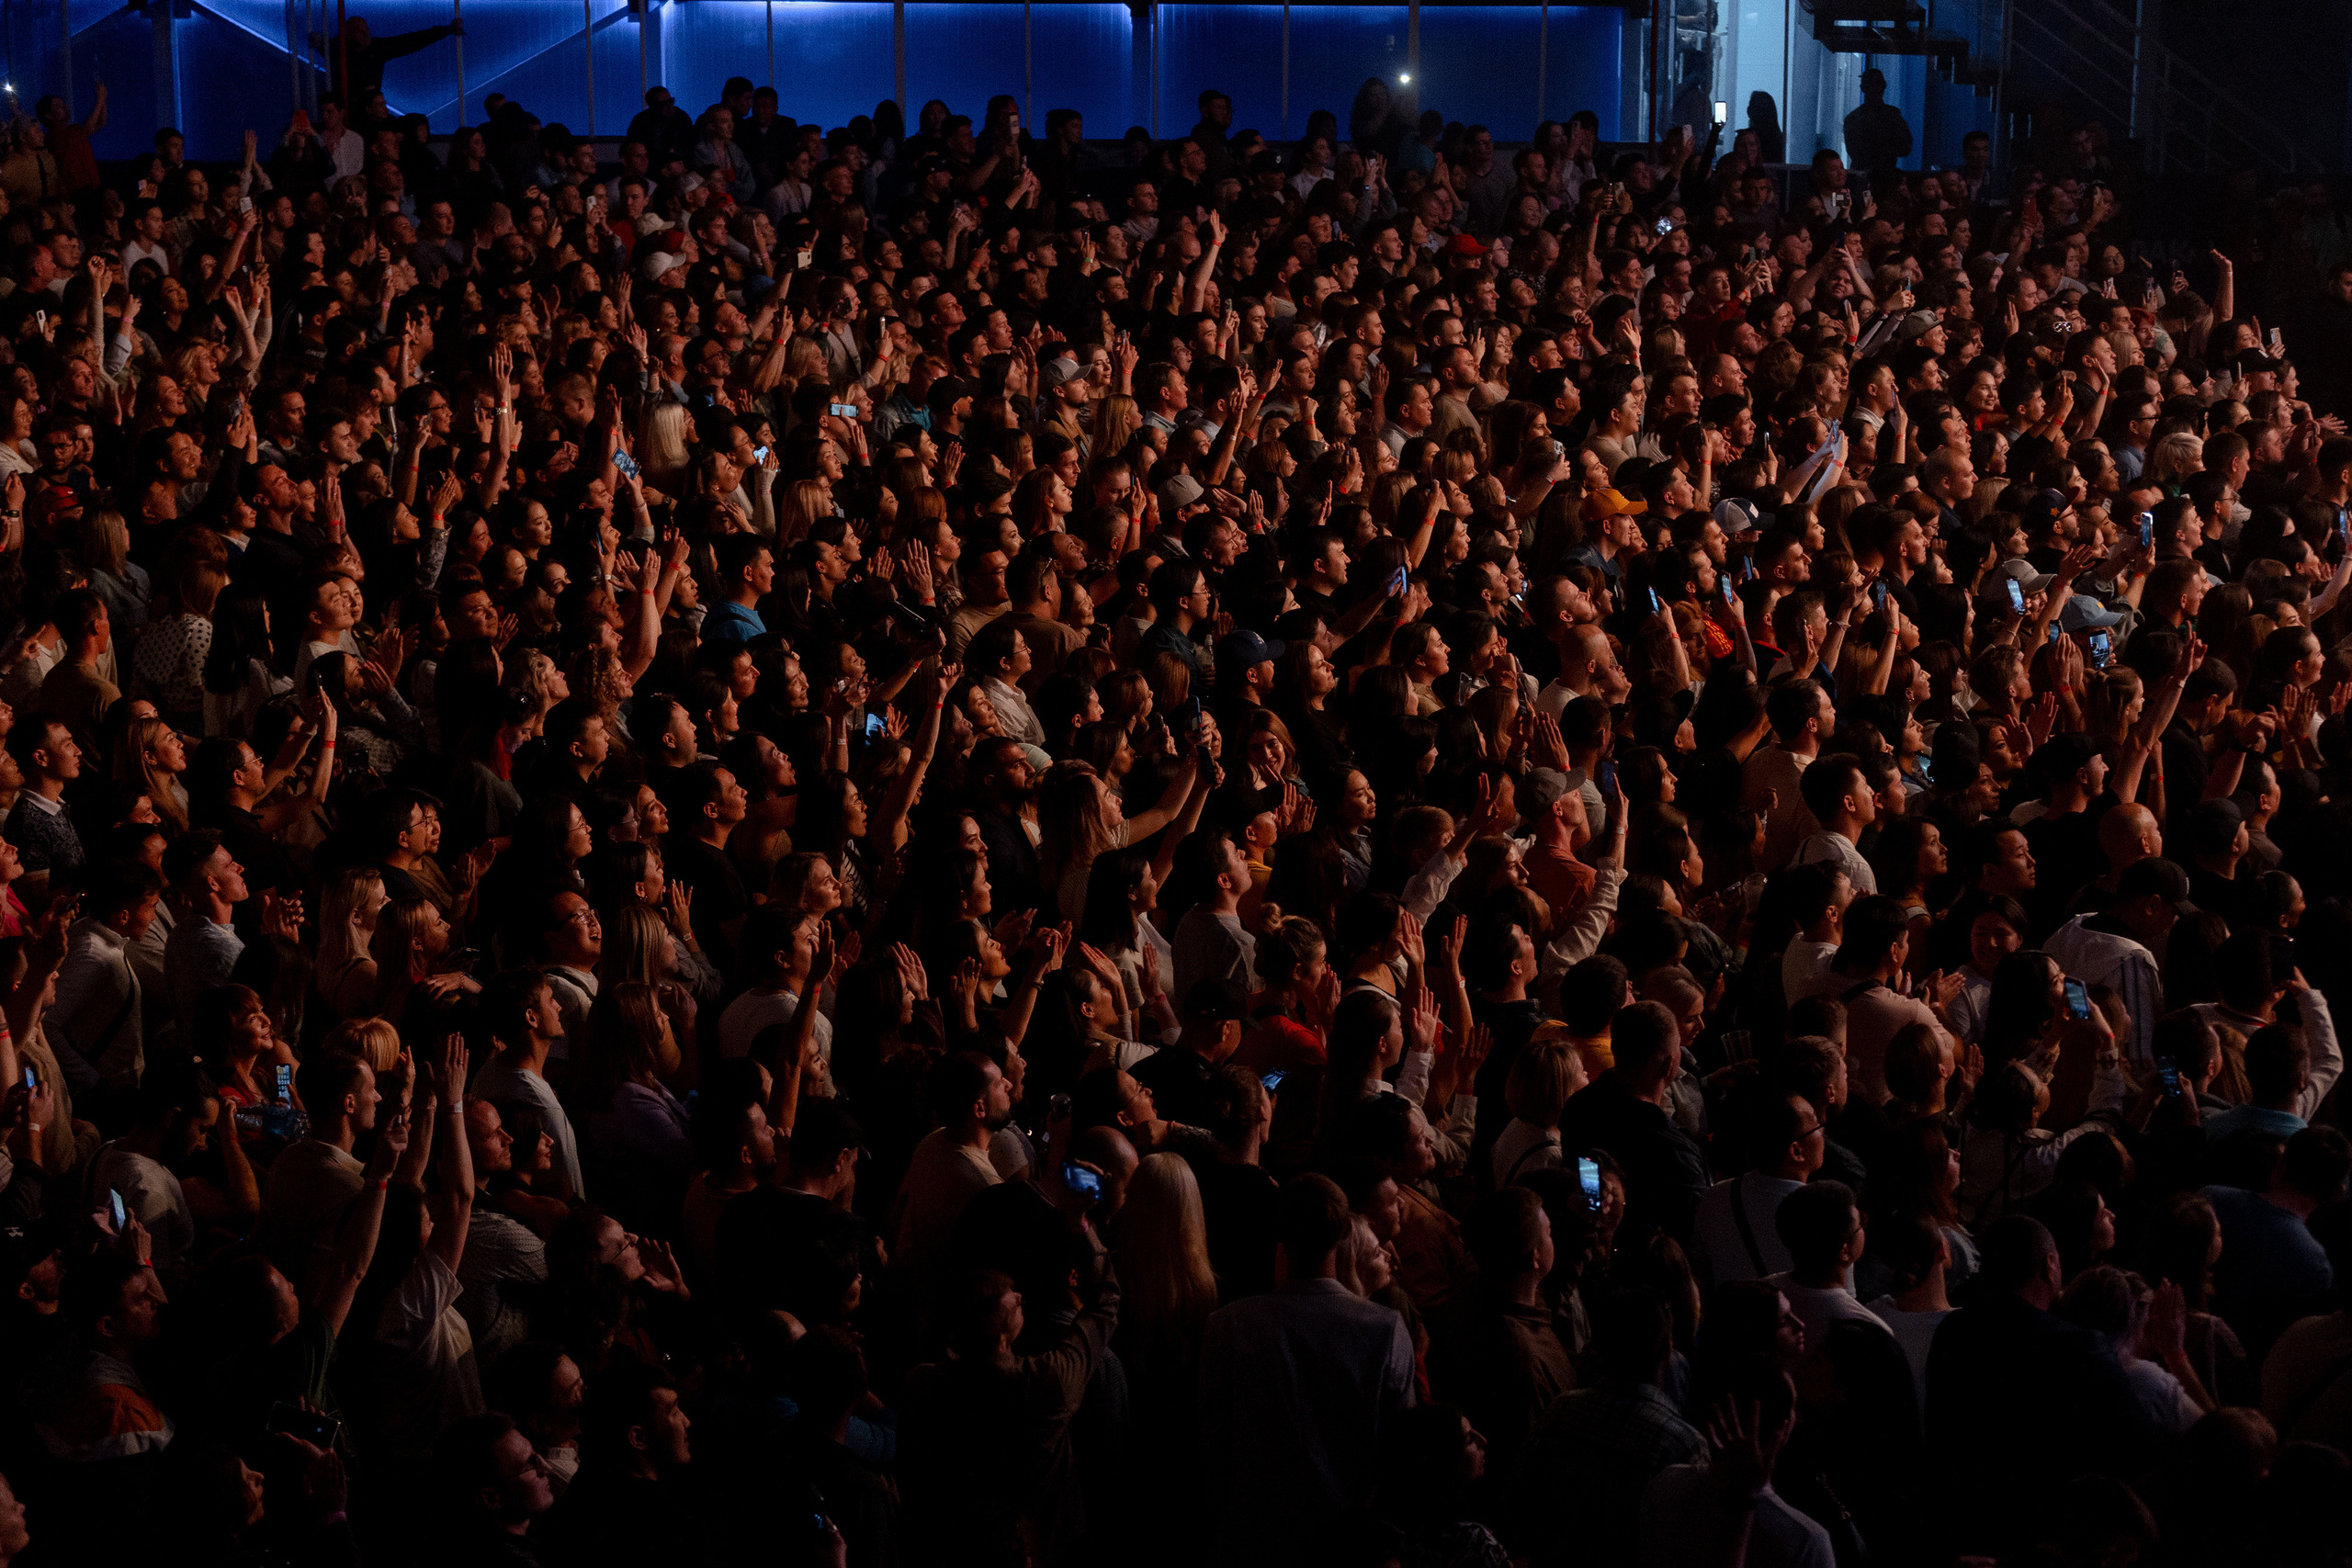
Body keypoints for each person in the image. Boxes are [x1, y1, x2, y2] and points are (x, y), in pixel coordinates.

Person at [1198, 1174, 1416, 1564]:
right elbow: (1403, 1453)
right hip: (1353, 1545)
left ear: (1279, 1233)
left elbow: (1213, 1446)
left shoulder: (1229, 1325)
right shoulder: (1384, 1329)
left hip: (1254, 1541)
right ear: (1345, 1230)